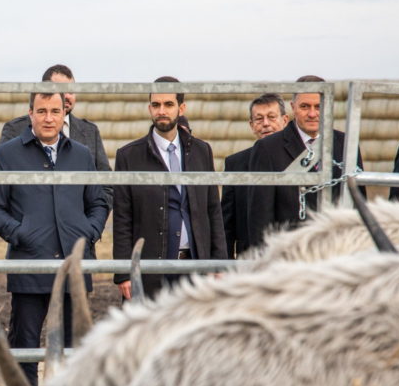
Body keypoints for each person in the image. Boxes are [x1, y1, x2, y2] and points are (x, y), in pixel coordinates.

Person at [0, 92, 108, 386]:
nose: (48, 118)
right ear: (30, 114)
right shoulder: (8, 154)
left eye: (55, 111)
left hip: (73, 266)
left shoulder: (80, 154)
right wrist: (21, 234)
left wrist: (87, 234)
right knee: (25, 346)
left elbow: (98, 202)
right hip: (29, 264)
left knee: (72, 347)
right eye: (42, 111)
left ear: (65, 113)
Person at [112, 77, 226, 300]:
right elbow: (122, 218)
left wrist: (218, 262)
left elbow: (213, 210)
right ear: (149, 108)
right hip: (150, 270)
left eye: (168, 104)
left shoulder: (202, 151)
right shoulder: (129, 156)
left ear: (181, 108)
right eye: (156, 105)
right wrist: (123, 273)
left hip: (196, 269)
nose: (161, 111)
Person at [247, 75, 362, 248]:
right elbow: (260, 217)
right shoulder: (267, 148)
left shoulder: (347, 144)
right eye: (304, 106)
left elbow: (359, 204)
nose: (312, 113)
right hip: (289, 255)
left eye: (318, 106)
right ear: (293, 107)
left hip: (337, 251)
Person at [0, 64, 112, 207]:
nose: (65, 96)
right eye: (59, 90)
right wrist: (19, 227)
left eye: (70, 91)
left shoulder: (90, 131)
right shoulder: (14, 129)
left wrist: (91, 224)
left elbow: (106, 184)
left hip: (78, 227)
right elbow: (0, 186)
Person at [221, 94, 289, 258]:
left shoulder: (300, 160)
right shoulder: (235, 163)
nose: (266, 124)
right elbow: (227, 223)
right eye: (259, 119)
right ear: (251, 125)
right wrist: (223, 264)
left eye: (271, 117)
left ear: (285, 120)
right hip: (250, 258)